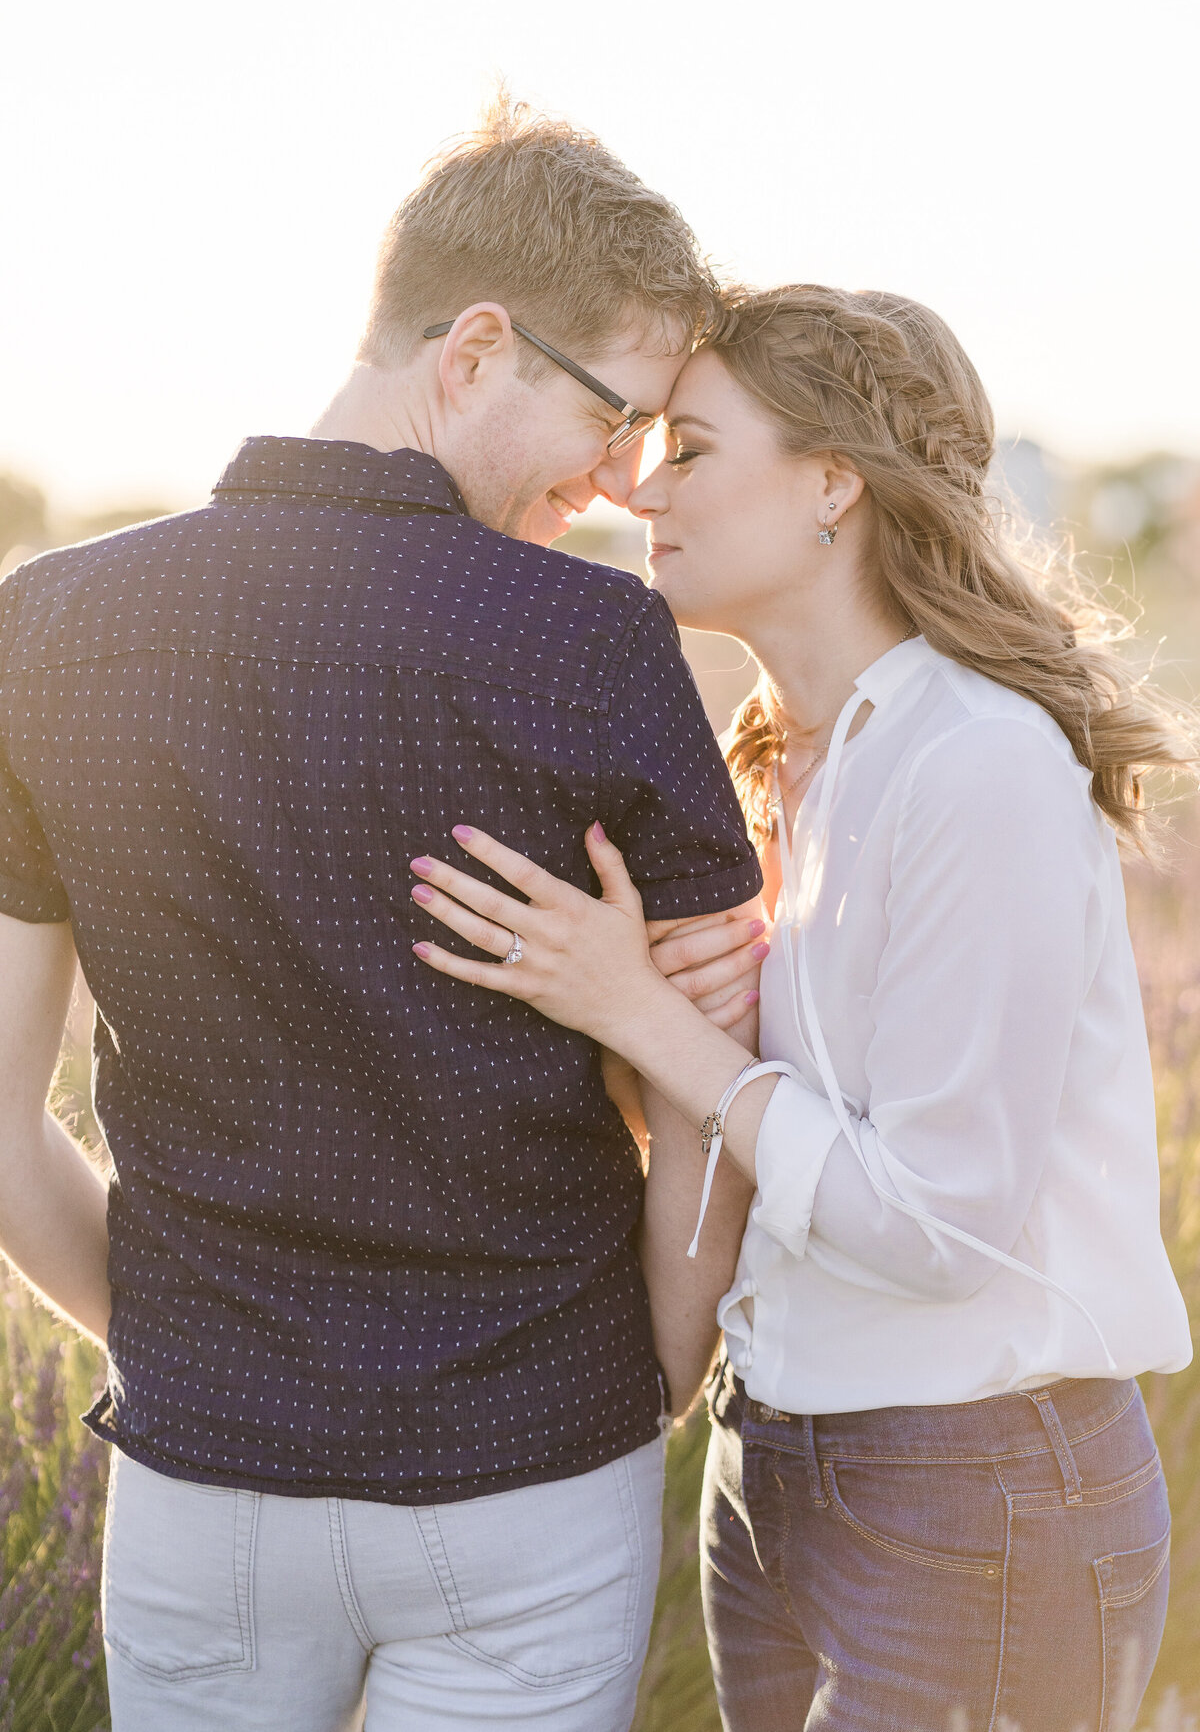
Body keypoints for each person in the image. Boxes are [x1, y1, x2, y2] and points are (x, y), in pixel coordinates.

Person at [0, 100, 766, 1731]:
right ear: (476, 347)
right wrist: (656, 1374)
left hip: (205, 1483)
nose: (627, 484)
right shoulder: (605, 644)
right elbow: (707, 1095)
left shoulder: (43, 631)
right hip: (534, 1473)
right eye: (615, 415)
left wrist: (206, 1354)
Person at [409, 283, 1196, 1731]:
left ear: (835, 482)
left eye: (695, 449)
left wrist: (643, 1013)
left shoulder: (979, 764)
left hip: (977, 1491)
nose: (639, 485)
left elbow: (937, 1225)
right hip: (772, 1462)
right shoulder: (780, 762)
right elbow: (749, 1133)